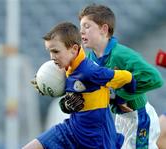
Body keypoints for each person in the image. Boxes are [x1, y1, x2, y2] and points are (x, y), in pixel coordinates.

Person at [59, 4, 164, 149]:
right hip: (120, 118)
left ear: (104, 29)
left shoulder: (121, 54)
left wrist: (121, 96)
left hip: (138, 116)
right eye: (80, 26)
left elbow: (154, 78)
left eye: (87, 26)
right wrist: (66, 104)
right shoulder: (88, 61)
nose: (81, 31)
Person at [22, 22, 136, 149]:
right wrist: (65, 104)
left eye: (55, 51)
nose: (52, 57)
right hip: (72, 130)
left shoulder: (89, 71)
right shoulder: (67, 68)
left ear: (74, 49)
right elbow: (71, 100)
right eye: (50, 51)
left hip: (95, 139)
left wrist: (123, 100)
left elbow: (127, 77)